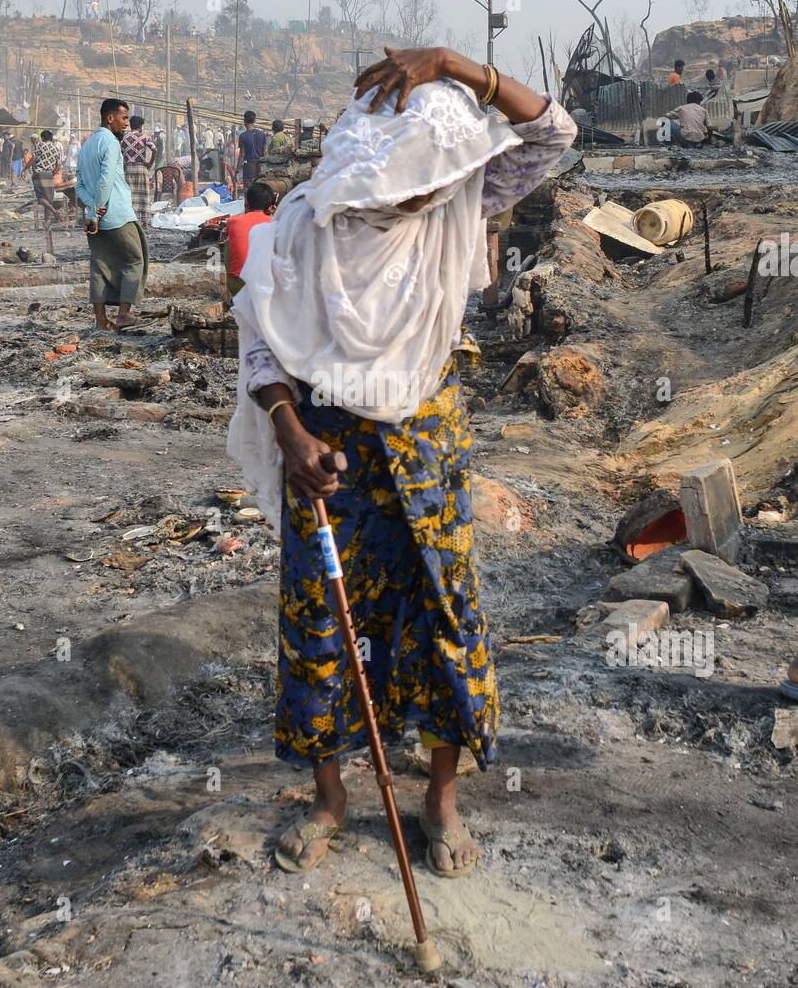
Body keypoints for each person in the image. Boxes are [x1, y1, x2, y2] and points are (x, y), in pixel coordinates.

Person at [227, 45, 576, 876]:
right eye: (410, 172)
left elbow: (553, 132)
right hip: (327, 453)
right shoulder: (308, 226)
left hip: (425, 446)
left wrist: (461, 67)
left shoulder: (459, 203)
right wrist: (287, 430)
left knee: (442, 611)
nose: (423, 189)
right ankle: (331, 797)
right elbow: (259, 338)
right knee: (322, 620)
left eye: (435, 169)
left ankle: (440, 799)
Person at [76, 98, 149, 333]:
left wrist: (91, 210)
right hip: (116, 213)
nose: (126, 124)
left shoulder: (87, 145)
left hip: (94, 216)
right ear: (110, 118)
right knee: (135, 259)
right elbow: (105, 182)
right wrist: (97, 211)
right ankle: (124, 314)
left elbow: (80, 185)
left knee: (100, 266)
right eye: (124, 118)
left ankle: (101, 321)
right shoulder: (111, 143)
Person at [225, 180, 276, 294]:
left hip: (238, 285)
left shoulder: (233, 221)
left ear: (247, 201)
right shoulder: (275, 223)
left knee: (227, 244)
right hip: (268, 286)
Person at [121, 114, 157, 229]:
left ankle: (130, 221)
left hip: (128, 168)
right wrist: (149, 163)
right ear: (140, 126)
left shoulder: (123, 138)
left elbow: (119, 154)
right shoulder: (145, 137)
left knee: (129, 195)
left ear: (130, 126)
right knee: (144, 195)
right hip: (141, 168)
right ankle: (145, 222)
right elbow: (154, 150)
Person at [30, 129, 63, 221]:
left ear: (43, 138)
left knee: (41, 198)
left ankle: (55, 212)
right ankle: (46, 221)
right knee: (48, 200)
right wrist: (52, 173)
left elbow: (33, 158)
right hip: (49, 174)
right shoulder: (56, 148)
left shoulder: (39, 145)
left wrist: (24, 169)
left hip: (39, 173)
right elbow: (58, 165)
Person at [238, 109, 267, 187]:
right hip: (260, 165)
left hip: (248, 165)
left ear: (245, 121)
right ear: (254, 121)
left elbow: (242, 155)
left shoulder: (243, 136)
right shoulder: (262, 134)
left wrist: (237, 170)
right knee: (259, 187)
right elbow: (265, 152)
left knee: (248, 189)